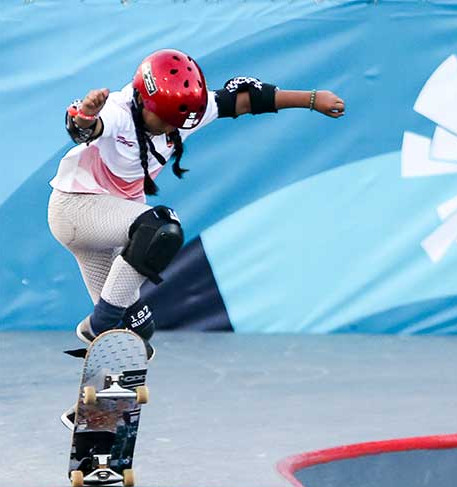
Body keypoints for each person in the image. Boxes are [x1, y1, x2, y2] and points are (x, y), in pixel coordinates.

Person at [49, 49, 345, 362]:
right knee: (160, 229)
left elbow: (245, 101)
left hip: (107, 223)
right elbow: (84, 130)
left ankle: (105, 405)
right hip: (75, 210)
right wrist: (85, 116)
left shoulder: (182, 116)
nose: (168, 128)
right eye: (162, 120)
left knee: (137, 330)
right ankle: (98, 327)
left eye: (175, 124)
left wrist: (312, 98)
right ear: (142, 100)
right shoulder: (117, 111)